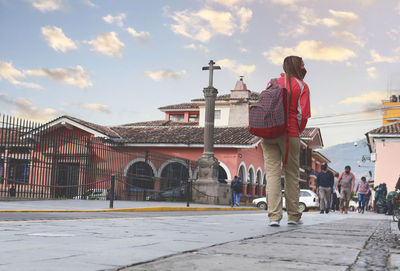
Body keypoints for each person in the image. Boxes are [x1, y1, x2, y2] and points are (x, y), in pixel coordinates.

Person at [261, 56, 310, 227]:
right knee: (291, 175)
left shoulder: (272, 82)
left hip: (268, 133)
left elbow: (265, 106)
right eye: (303, 64)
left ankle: (274, 217)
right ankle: (294, 216)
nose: (305, 67)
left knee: (272, 175)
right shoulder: (302, 86)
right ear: (297, 66)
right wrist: (298, 131)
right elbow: (303, 114)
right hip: (290, 134)